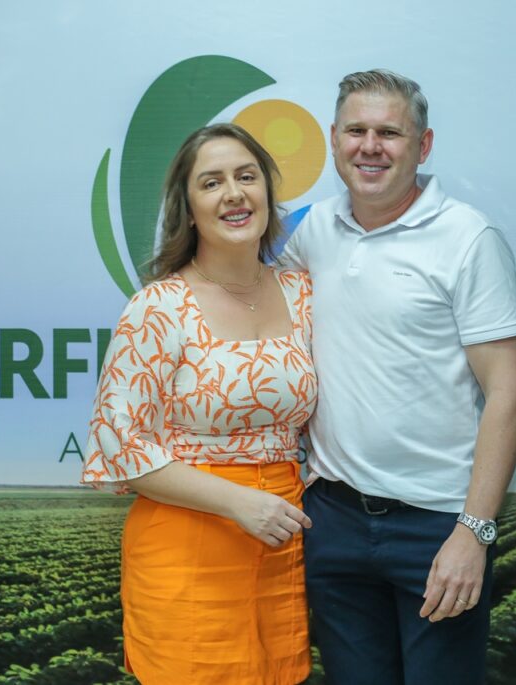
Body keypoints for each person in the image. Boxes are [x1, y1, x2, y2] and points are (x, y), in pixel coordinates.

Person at [278, 69, 516, 685]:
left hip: (438, 526)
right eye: (356, 131)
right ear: (333, 138)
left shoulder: (468, 238)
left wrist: (473, 532)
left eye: (389, 133)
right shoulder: (312, 232)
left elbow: (511, 392)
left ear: (424, 145)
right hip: (334, 520)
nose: (371, 147)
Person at [82, 123, 317, 685]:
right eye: (212, 183)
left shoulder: (303, 294)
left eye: (246, 177)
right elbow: (120, 447)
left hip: (281, 536)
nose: (234, 194)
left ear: (267, 192)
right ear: (188, 210)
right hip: (188, 541)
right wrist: (239, 502)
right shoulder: (157, 307)